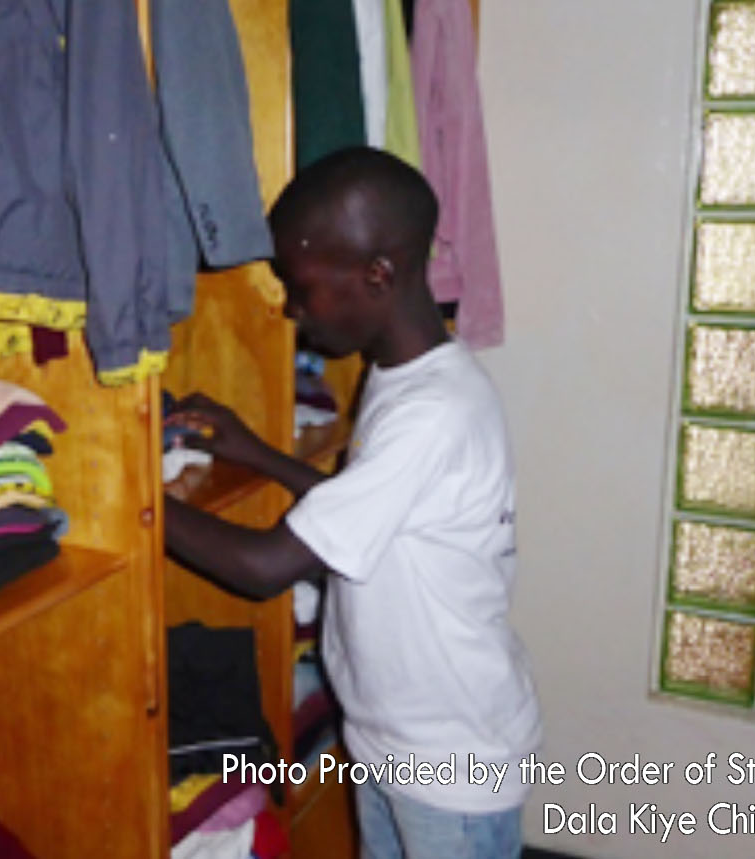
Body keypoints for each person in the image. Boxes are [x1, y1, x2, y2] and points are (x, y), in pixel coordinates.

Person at [163, 146, 541, 859]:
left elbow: (266, 565)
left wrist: (136, 509)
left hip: (450, 760)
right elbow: (368, 516)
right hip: (394, 735)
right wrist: (257, 453)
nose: (292, 306)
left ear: (378, 275)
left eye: (302, 286)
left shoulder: (434, 411)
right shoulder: (401, 376)